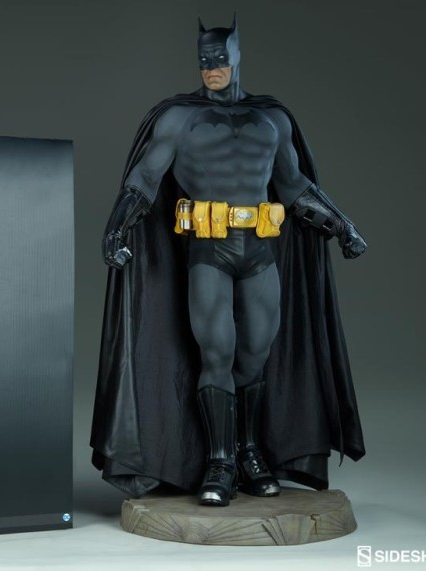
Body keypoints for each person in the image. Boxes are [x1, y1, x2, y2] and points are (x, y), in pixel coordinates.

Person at [91, 16, 367, 507]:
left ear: (237, 56)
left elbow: (294, 185)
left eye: (220, 58)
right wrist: (115, 228)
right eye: (204, 60)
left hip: (259, 250)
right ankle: (219, 462)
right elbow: (145, 179)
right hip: (208, 251)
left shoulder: (272, 119)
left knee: (257, 352)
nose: (212, 67)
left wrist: (342, 226)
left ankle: (249, 451)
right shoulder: (179, 118)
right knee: (216, 352)